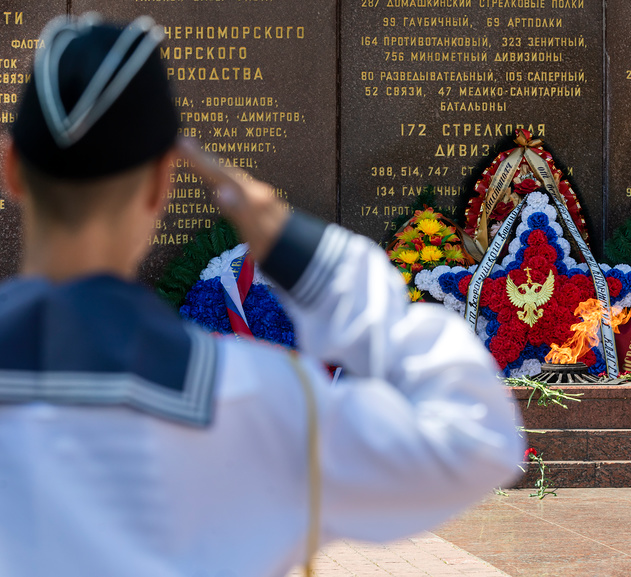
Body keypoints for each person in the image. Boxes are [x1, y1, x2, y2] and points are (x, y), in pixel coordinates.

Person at [0, 15, 524, 577]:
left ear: (12, 170)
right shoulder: (260, 402)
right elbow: (479, 440)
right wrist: (318, 265)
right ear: (160, 185)